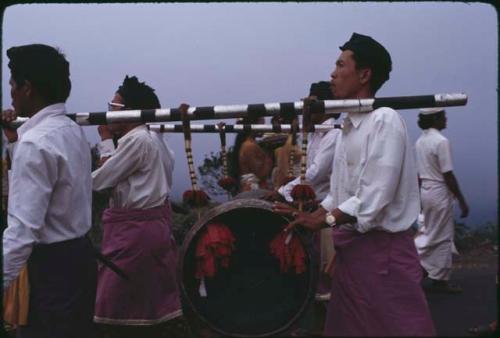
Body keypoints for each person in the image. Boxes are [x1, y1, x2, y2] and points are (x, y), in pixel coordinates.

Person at [273, 33, 435, 336]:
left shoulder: (384, 120)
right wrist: (312, 215)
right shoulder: (348, 125)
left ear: (364, 74)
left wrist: (325, 221)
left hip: (383, 255)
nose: (332, 74)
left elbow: (372, 199)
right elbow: (337, 193)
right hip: (352, 254)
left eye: (340, 65)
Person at [2, 44, 97, 338]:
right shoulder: (70, 131)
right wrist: (13, 139)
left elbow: (22, 230)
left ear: (28, 88)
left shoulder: (35, 143)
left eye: (13, 85)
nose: (11, 93)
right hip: (80, 261)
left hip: (51, 273)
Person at [92, 76, 185, 337]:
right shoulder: (155, 139)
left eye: (114, 106)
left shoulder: (139, 140)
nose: (109, 112)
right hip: (149, 230)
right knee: (145, 307)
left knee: (115, 309)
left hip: (134, 234)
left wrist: (105, 140)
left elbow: (100, 181)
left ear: (132, 111)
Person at [414, 108, 469, 293]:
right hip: (439, 192)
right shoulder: (441, 141)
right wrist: (461, 199)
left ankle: (437, 277)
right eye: (443, 116)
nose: (446, 119)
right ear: (435, 118)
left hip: (426, 191)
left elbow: (419, 174)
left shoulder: (420, 141)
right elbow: (448, 174)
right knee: (441, 236)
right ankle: (419, 269)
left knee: (432, 231)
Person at [228, 116, 273, 193]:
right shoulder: (249, 146)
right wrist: (269, 157)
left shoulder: (251, 144)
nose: (264, 128)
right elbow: (260, 174)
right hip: (253, 189)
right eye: (262, 125)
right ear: (253, 125)